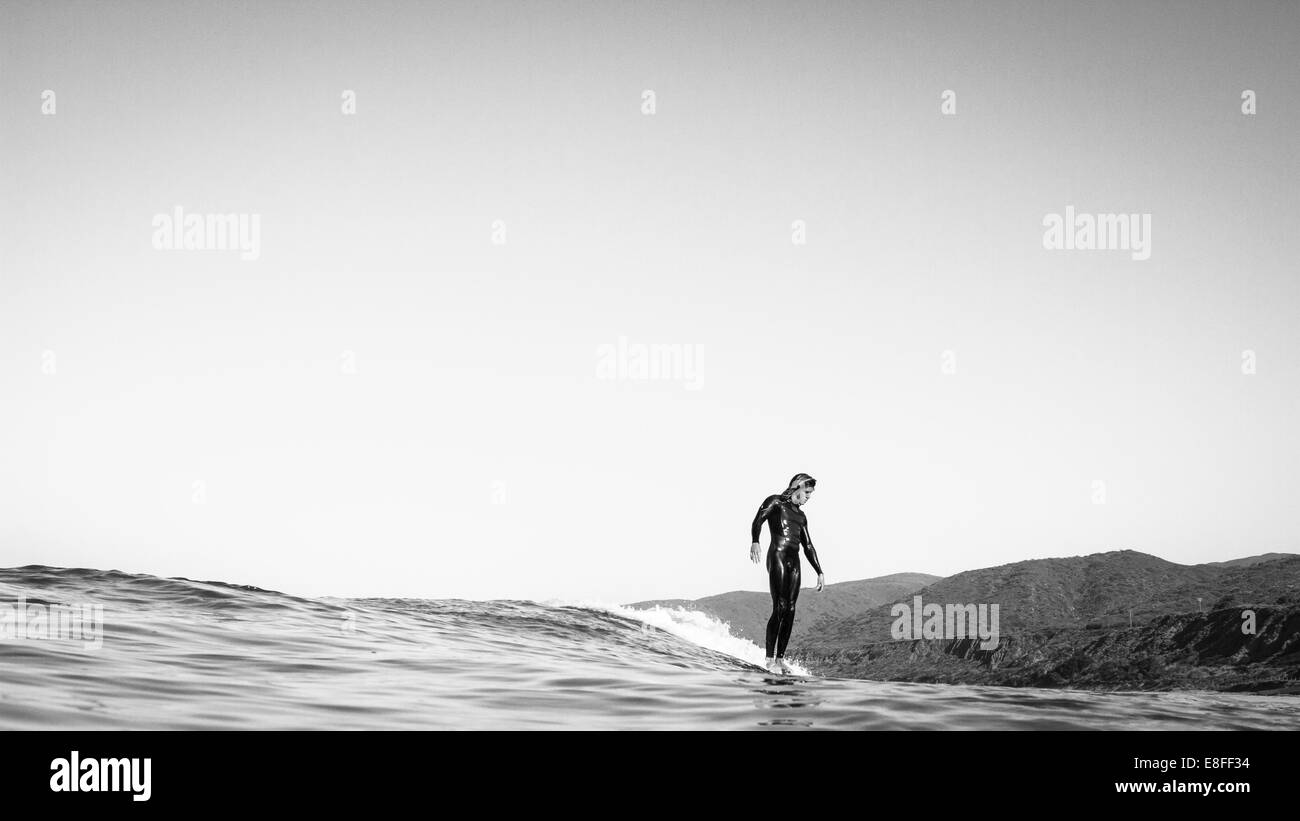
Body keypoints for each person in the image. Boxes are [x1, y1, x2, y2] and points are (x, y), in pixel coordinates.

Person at [749, 473, 824, 673]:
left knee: (790, 610)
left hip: (794, 561)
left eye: (811, 494)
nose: (808, 497)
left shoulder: (801, 516)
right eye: (807, 492)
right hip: (778, 556)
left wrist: (819, 571)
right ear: (797, 487)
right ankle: (768, 658)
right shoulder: (775, 502)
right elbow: (758, 519)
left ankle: (780, 660)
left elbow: (808, 545)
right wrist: (755, 541)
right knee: (780, 607)